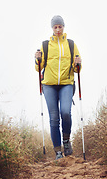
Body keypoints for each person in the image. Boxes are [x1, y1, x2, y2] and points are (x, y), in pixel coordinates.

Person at [35, 15, 82, 160]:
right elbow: (39, 69)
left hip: (66, 83)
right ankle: (58, 152)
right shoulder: (45, 45)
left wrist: (78, 63)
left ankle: (66, 141)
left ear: (63, 27)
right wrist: (37, 60)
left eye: (60, 26)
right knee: (54, 118)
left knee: (66, 112)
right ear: (52, 28)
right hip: (49, 85)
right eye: (55, 27)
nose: (58, 29)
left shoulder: (71, 45)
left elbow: (77, 70)